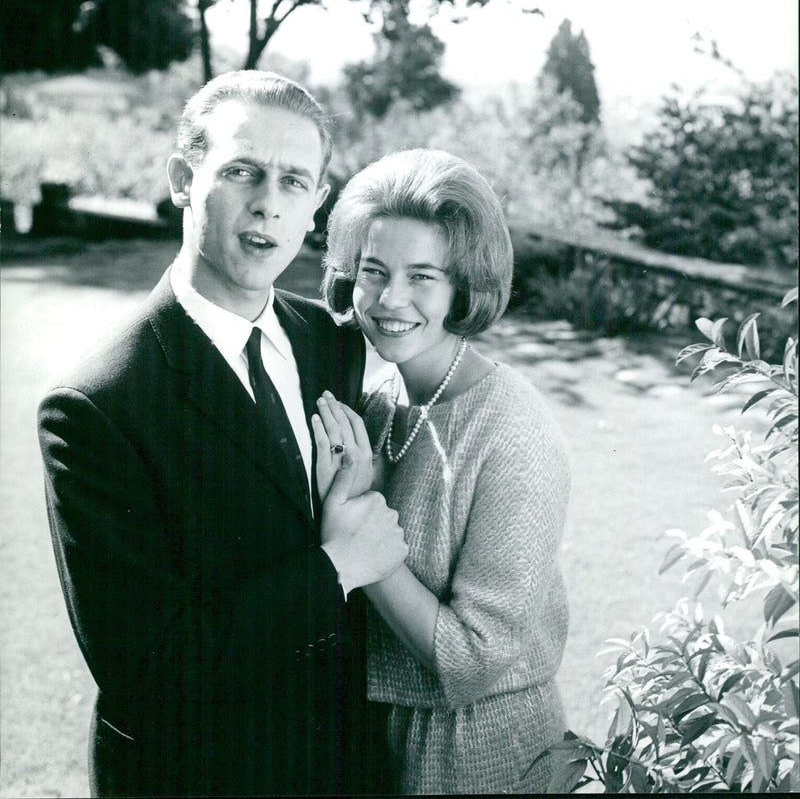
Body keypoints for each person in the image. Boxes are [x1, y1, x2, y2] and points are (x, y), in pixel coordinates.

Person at [38, 71, 407, 797]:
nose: (269, 202)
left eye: (294, 181)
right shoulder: (97, 404)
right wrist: (336, 566)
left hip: (335, 764)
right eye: (243, 171)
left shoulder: (332, 344)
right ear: (183, 177)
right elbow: (150, 670)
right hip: (193, 774)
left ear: (316, 206)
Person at [313, 148, 571, 794]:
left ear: (465, 287)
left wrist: (360, 536)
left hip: (480, 749)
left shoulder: (513, 430)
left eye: (422, 276)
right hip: (373, 736)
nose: (389, 298)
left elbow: (474, 657)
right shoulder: (376, 405)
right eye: (373, 270)